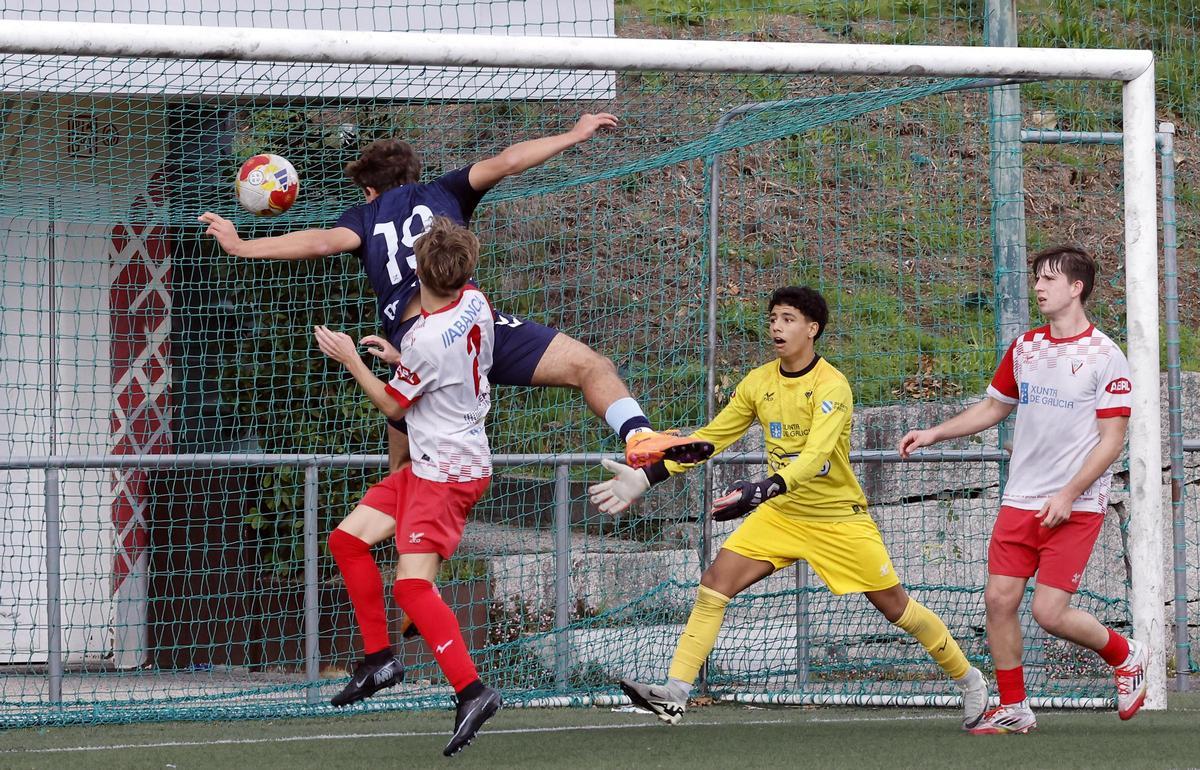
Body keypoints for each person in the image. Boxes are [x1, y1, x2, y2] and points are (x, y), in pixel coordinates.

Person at [198, 114, 713, 705]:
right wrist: (572, 136)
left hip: (418, 348)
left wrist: (242, 244)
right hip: (474, 328)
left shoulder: (364, 218)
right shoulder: (447, 190)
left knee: (404, 470)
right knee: (588, 367)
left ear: (369, 190)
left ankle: (409, 607)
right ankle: (640, 436)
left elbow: (316, 242)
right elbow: (511, 158)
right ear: (416, 175)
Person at [590, 286, 988, 729]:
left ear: (812, 329)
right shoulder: (759, 382)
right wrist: (645, 477)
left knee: (898, 609)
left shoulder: (832, 386)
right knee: (715, 584)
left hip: (837, 519)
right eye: (773, 318)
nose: (777, 326)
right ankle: (675, 694)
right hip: (782, 514)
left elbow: (816, 456)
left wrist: (762, 489)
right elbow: (710, 439)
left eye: (788, 319)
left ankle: (968, 678)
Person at [896, 245, 1146, 734]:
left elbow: (1112, 439)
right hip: (1020, 500)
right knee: (998, 601)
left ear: (1076, 288)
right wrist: (934, 433)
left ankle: (1125, 653)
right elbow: (993, 408)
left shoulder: (1106, 356)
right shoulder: (1026, 346)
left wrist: (1070, 493)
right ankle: (1015, 707)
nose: (1038, 286)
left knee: (1049, 613)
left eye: (1049, 279)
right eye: (1037, 278)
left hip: (1076, 504)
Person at [315, 217, 500, 756]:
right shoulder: (475, 302)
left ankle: (472, 691)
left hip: (446, 474)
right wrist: (402, 362)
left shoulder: (421, 336)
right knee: (347, 541)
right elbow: (446, 364)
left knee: (412, 589)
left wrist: (352, 358)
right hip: (432, 463)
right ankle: (380, 659)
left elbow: (396, 406)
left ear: (417, 270)